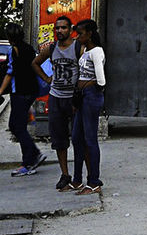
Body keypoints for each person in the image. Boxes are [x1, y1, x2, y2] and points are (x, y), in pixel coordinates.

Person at [33, 15, 81, 191]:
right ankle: (65, 174)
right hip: (56, 97)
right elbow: (35, 63)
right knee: (59, 140)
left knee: (78, 138)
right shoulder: (52, 48)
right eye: (57, 28)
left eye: (63, 28)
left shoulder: (77, 47)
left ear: (70, 29)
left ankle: (78, 175)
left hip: (73, 99)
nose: (60, 31)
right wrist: (47, 78)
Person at [0, 21, 46, 177]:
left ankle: (29, 161)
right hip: (31, 91)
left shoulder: (15, 51)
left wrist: (0, 91)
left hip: (20, 92)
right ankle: (33, 153)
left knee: (17, 126)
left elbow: (10, 72)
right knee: (16, 125)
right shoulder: (29, 49)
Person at [70, 18, 106, 195]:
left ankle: (94, 181)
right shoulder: (85, 51)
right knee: (77, 137)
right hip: (82, 97)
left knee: (90, 139)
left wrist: (84, 86)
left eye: (81, 33)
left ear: (90, 34)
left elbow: (101, 80)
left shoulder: (97, 52)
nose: (77, 37)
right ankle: (77, 179)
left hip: (91, 96)